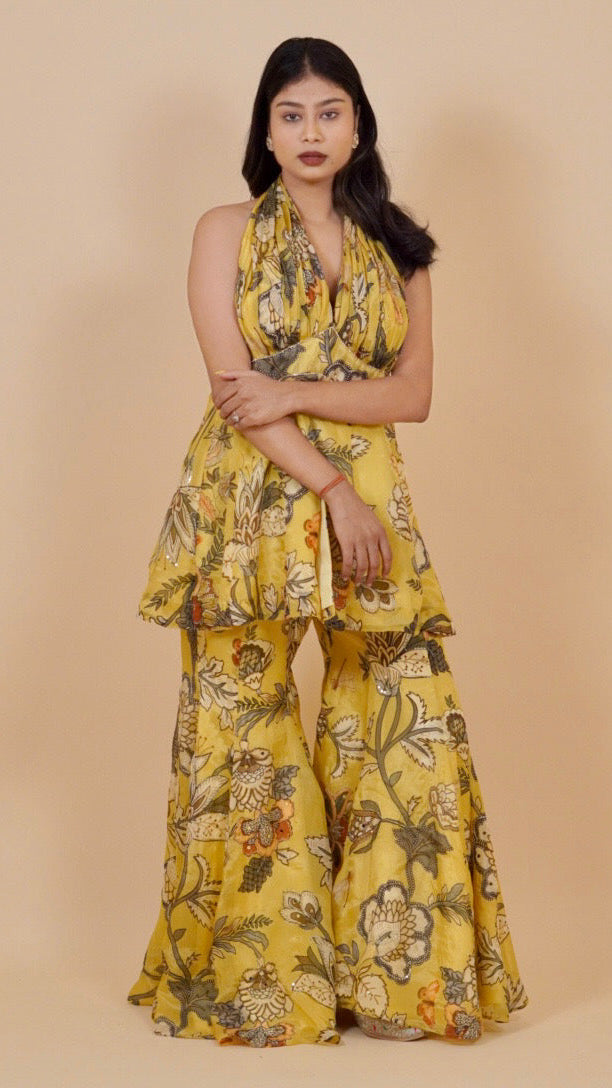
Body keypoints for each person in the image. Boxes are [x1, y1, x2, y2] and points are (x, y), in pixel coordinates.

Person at [127, 36, 529, 1048]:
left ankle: (400, 985)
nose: (310, 131)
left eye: (329, 112)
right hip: (246, 510)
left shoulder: (403, 246)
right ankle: (255, 985)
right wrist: (332, 484)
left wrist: (299, 392)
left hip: (374, 514)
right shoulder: (223, 230)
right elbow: (235, 393)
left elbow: (413, 394)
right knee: (243, 738)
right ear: (266, 133)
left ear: (359, 126)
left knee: (400, 728)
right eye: (291, 114)